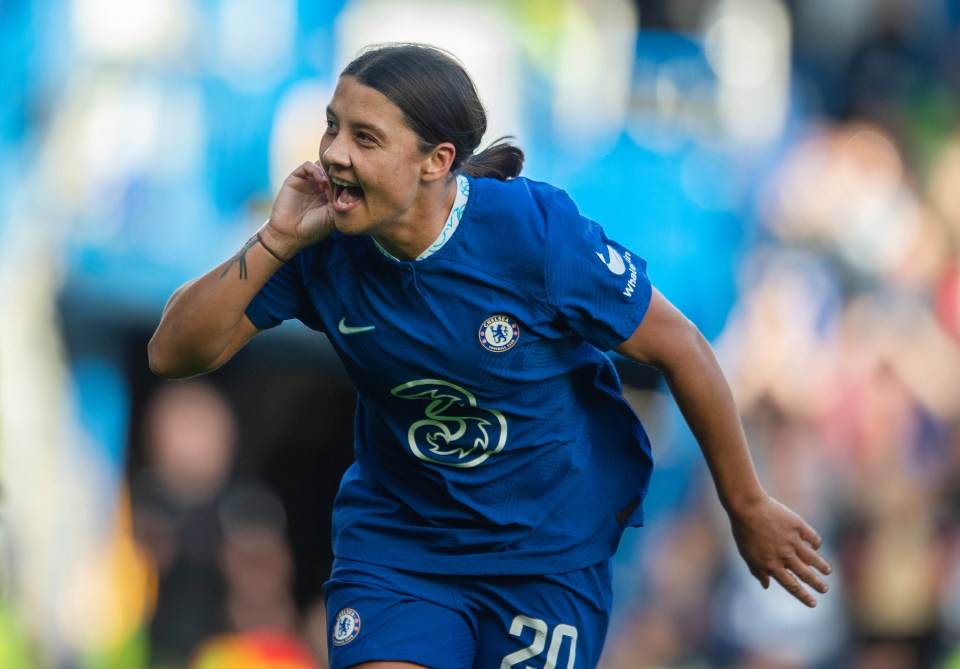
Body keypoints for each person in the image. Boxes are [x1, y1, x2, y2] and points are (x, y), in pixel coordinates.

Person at [148, 42, 831, 669]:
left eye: (364, 137)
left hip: (545, 554)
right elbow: (173, 352)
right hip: (401, 547)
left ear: (435, 161)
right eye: (332, 126)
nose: (333, 152)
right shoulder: (325, 243)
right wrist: (275, 236)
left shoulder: (532, 235)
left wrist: (747, 505)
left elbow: (682, 347)